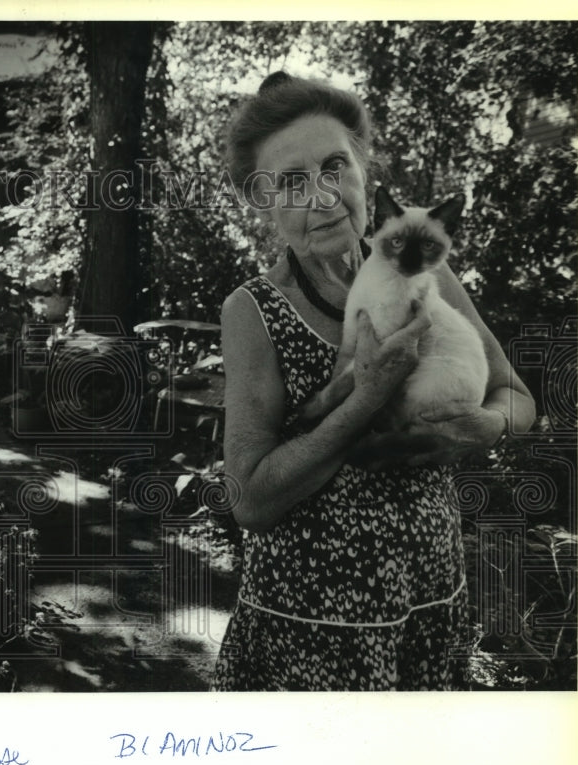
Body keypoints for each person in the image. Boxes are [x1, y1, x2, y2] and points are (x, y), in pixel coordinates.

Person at [213, 72, 536, 690]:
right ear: (263, 202)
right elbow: (250, 500)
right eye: (291, 182)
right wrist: (367, 398)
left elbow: (516, 397)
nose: (324, 196)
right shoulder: (252, 310)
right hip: (311, 626)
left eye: (336, 166)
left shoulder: (425, 270)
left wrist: (481, 428)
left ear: (365, 169)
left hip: (432, 607)